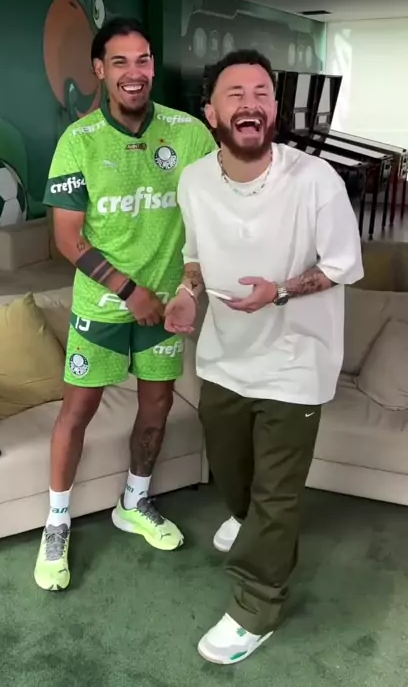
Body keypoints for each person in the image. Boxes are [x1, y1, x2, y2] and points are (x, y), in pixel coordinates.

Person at [165, 49, 363, 665]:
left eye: (261, 94)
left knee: (276, 495)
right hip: (224, 357)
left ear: (274, 110)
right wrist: (186, 292)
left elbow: (341, 265)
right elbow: (194, 256)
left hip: (296, 361)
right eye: (236, 94)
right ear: (211, 113)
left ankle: (257, 607)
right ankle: (244, 516)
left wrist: (279, 291)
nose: (250, 104)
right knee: (232, 471)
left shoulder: (316, 181)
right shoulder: (194, 180)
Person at [34, 17, 217, 591]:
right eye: (120, 62)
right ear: (99, 70)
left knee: (156, 408)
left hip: (164, 308)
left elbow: (212, 218)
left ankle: (134, 502)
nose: (133, 73)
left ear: (152, 66)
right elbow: (67, 239)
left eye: (142, 60)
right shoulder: (79, 140)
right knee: (77, 413)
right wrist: (128, 291)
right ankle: (56, 522)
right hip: (104, 308)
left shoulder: (189, 134)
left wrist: (187, 289)